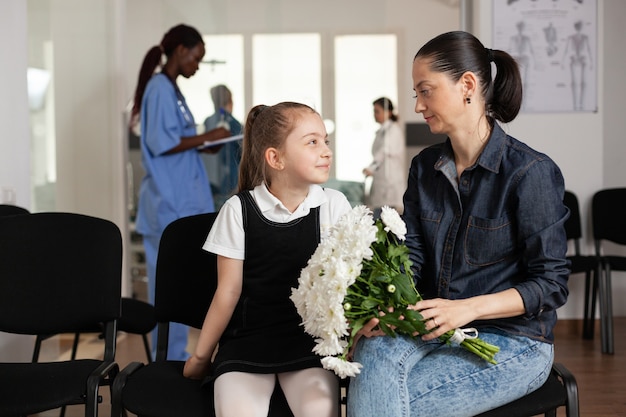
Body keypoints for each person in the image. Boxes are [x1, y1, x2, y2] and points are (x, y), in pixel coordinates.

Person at [347, 31, 570, 416]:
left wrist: (467, 309)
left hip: (514, 341)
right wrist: (388, 306)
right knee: (372, 348)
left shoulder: (529, 172)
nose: (417, 105)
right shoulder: (424, 168)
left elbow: (550, 284)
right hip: (434, 325)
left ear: (467, 85)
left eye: (425, 91)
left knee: (386, 402)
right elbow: (412, 253)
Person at [183, 102, 352, 417]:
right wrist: (201, 358)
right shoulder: (238, 210)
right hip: (247, 345)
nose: (326, 151)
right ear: (275, 158)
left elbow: (348, 286)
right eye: (312, 142)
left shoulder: (333, 205)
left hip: (309, 347)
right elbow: (227, 293)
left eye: (325, 141)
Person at [131, 24, 231, 361]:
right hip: (166, 203)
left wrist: (206, 146)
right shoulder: (160, 88)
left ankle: (177, 358)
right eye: (196, 58)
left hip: (180, 202)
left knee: (181, 285)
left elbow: (176, 142)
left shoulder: (172, 90)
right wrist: (206, 137)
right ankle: (166, 364)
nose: (197, 66)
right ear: (180, 50)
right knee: (169, 290)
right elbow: (162, 143)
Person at [362, 97, 406, 216]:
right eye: (374, 111)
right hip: (382, 182)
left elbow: (383, 152)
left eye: (377, 111)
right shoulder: (382, 131)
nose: (374, 115)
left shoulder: (393, 130)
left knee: (386, 222)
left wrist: (371, 168)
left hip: (390, 184)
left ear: (388, 112)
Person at [202, 84, 243, 209]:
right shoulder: (232, 123)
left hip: (210, 179)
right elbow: (243, 149)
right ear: (230, 100)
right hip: (227, 180)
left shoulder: (208, 121)